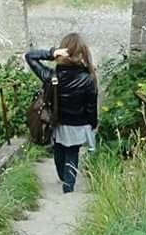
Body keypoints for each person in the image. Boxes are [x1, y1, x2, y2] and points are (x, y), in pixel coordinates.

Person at [25, 33, 98, 193]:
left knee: (59, 151)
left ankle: (64, 178)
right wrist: (93, 124)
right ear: (81, 53)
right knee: (72, 153)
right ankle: (68, 186)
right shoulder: (89, 78)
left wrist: (52, 53)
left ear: (63, 50)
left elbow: (30, 57)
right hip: (78, 124)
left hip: (57, 122)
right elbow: (91, 106)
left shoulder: (52, 76)